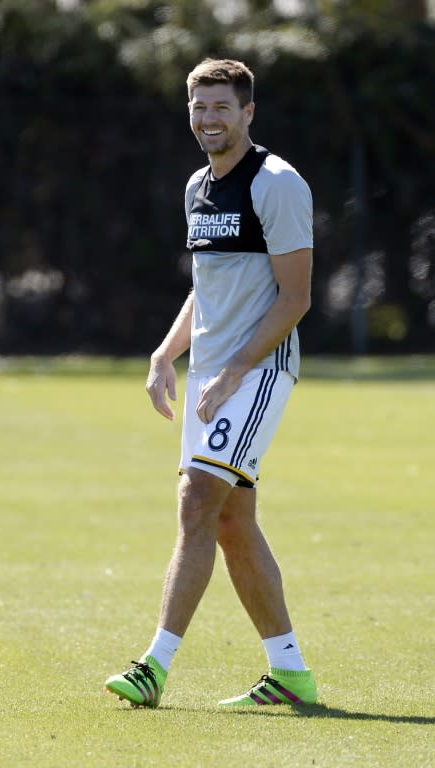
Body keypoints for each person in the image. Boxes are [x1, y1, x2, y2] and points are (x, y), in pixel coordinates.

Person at [105, 58, 317, 708]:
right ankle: (289, 673)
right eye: (199, 108)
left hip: (256, 370)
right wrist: (165, 354)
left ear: (247, 112)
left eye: (221, 107)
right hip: (210, 375)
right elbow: (206, 291)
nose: (208, 119)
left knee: (197, 502)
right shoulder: (198, 184)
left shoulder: (275, 184)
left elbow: (295, 298)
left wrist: (231, 372)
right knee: (229, 522)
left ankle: (153, 666)